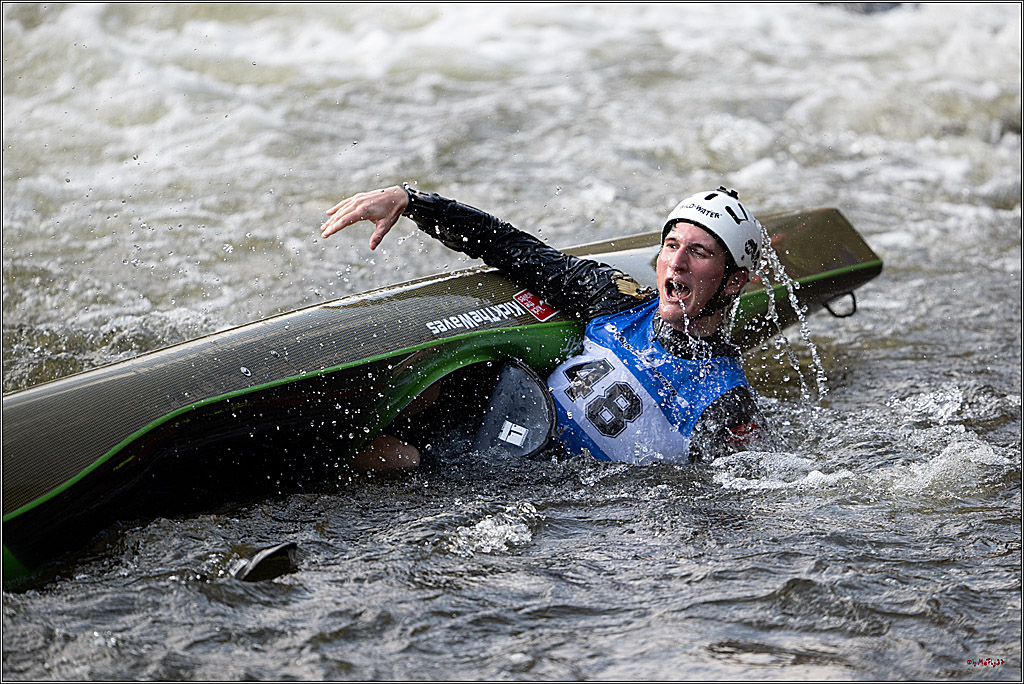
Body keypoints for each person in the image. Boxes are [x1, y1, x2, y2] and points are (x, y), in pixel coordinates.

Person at [320, 184, 772, 470]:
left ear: (733, 282)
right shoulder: (612, 299)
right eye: (671, 245)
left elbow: (718, 500)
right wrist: (412, 201)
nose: (675, 261)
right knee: (423, 392)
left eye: (699, 252)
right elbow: (514, 248)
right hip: (500, 417)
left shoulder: (725, 401)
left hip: (541, 492)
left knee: (387, 459)